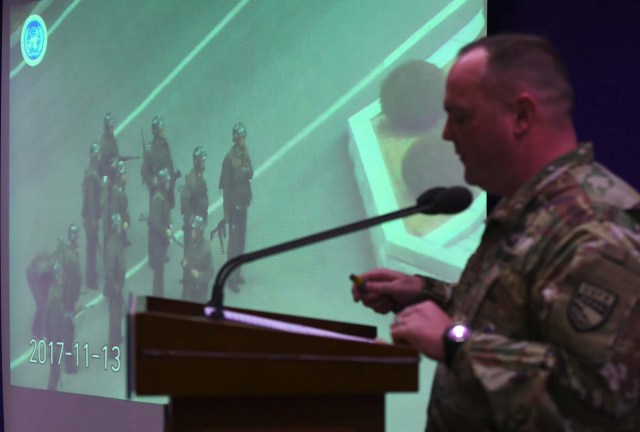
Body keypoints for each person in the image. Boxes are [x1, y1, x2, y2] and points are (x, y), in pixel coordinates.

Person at [352, 34, 640, 431]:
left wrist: (454, 343)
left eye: (462, 117)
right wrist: (426, 293)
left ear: (521, 116)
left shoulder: (598, 229)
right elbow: (517, 319)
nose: (448, 134)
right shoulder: (535, 208)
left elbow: (597, 404)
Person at [219, 122, 253, 291]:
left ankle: (237, 273)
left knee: (241, 240)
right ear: (236, 139)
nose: (244, 140)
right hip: (233, 205)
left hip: (243, 202)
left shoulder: (244, 153)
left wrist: (248, 171)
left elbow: (251, 172)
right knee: (233, 243)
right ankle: (230, 278)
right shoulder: (229, 159)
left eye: (244, 137)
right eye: (242, 137)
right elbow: (225, 188)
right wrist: (226, 214)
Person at [56, 224, 82, 374]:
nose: (78, 238)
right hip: (68, 299)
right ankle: (70, 366)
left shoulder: (64, 252)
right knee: (69, 331)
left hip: (63, 297)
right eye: (77, 235)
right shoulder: (72, 258)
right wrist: (73, 300)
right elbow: (76, 280)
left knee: (64, 328)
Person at [141, 115, 179, 210]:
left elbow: (168, 162)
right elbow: (144, 171)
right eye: (161, 130)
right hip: (157, 189)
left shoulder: (165, 144)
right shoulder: (150, 150)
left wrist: (173, 177)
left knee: (167, 214)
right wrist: (152, 180)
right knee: (158, 216)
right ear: (156, 132)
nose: (164, 131)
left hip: (167, 186)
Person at [148, 168, 173, 297]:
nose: (169, 183)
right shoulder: (158, 199)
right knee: (158, 274)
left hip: (160, 241)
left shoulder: (161, 196)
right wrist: (166, 231)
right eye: (167, 181)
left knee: (160, 273)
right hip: (157, 242)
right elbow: (156, 224)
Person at [180, 146, 209, 253]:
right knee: (190, 252)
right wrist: (192, 219)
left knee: (198, 248)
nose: (204, 163)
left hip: (200, 218)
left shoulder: (199, 175)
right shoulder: (192, 179)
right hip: (194, 222)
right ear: (197, 162)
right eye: (202, 161)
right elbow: (184, 199)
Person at [82, 141, 102, 290]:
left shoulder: (93, 170)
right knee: (91, 248)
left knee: (92, 246)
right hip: (91, 218)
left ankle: (92, 274)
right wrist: (94, 219)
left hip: (92, 217)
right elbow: (90, 200)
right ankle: (91, 278)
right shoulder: (91, 175)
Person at [104, 213, 126, 349]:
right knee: (114, 317)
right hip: (114, 285)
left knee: (117, 314)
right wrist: (116, 286)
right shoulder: (112, 245)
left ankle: (117, 338)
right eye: (119, 225)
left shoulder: (117, 240)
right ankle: (113, 347)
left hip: (118, 284)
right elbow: (110, 270)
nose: (121, 227)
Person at [181, 215, 214, 302]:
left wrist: (200, 274)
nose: (191, 232)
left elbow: (210, 271)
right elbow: (188, 257)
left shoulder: (206, 248)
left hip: (200, 290)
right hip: (190, 286)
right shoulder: (191, 242)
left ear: (199, 232)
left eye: (194, 230)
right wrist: (185, 261)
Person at [26, 248, 56, 340]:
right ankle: (36, 331)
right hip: (34, 277)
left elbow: (52, 278)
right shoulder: (33, 271)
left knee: (50, 300)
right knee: (41, 305)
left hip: (43, 275)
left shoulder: (51, 265)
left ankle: (49, 326)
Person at [103, 160, 131, 249]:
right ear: (119, 176)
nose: (126, 176)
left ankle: (123, 238)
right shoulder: (116, 189)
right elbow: (115, 208)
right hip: (119, 213)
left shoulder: (121, 185)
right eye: (124, 174)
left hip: (122, 211)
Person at [99, 112, 119, 179]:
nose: (113, 128)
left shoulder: (111, 137)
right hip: (108, 175)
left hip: (113, 171)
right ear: (107, 128)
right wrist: (112, 166)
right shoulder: (104, 144)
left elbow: (115, 152)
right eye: (111, 127)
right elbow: (102, 164)